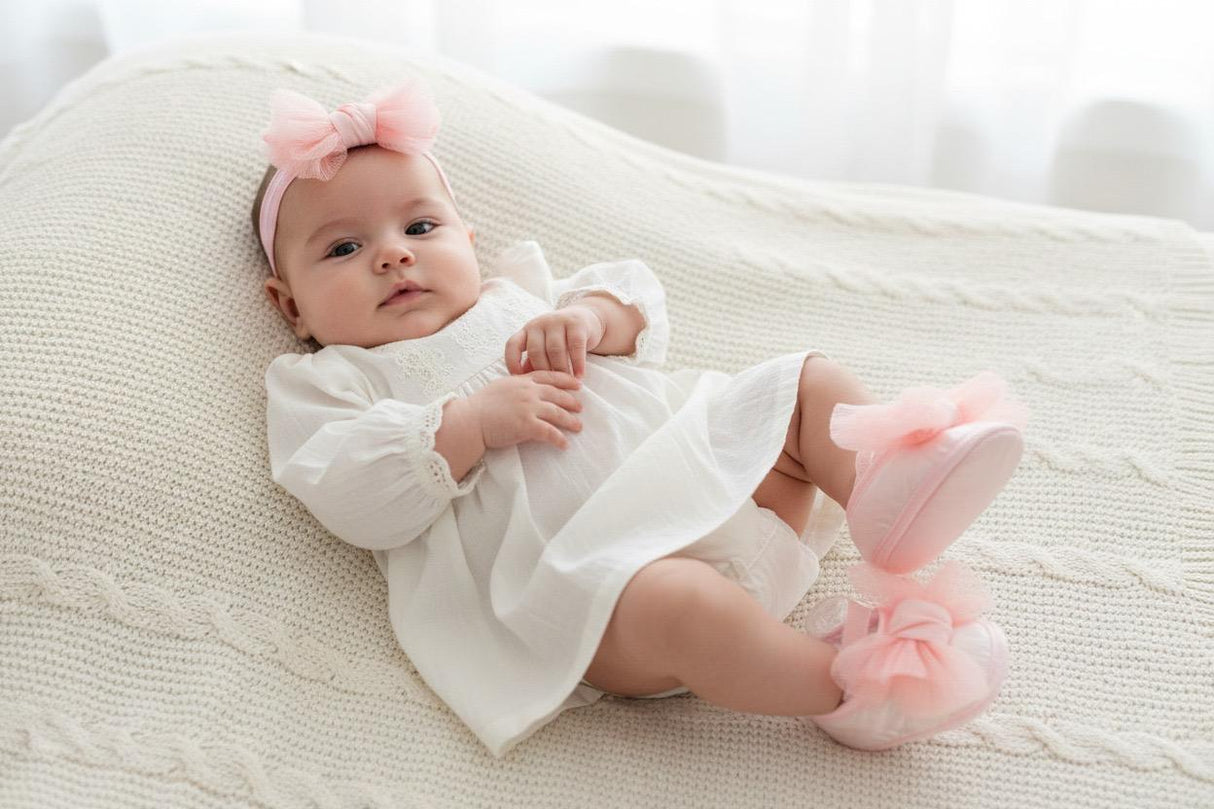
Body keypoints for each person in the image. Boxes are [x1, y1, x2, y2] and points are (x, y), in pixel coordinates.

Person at [255, 77, 1028, 758]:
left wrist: (590, 320)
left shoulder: (517, 293)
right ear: (289, 304)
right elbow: (349, 492)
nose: (393, 256)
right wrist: (470, 425)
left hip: (729, 491)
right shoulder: (330, 381)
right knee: (683, 604)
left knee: (800, 383)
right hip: (605, 592)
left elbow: (640, 307)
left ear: (468, 238)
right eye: (346, 247)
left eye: (420, 228)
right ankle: (857, 687)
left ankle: (889, 491)